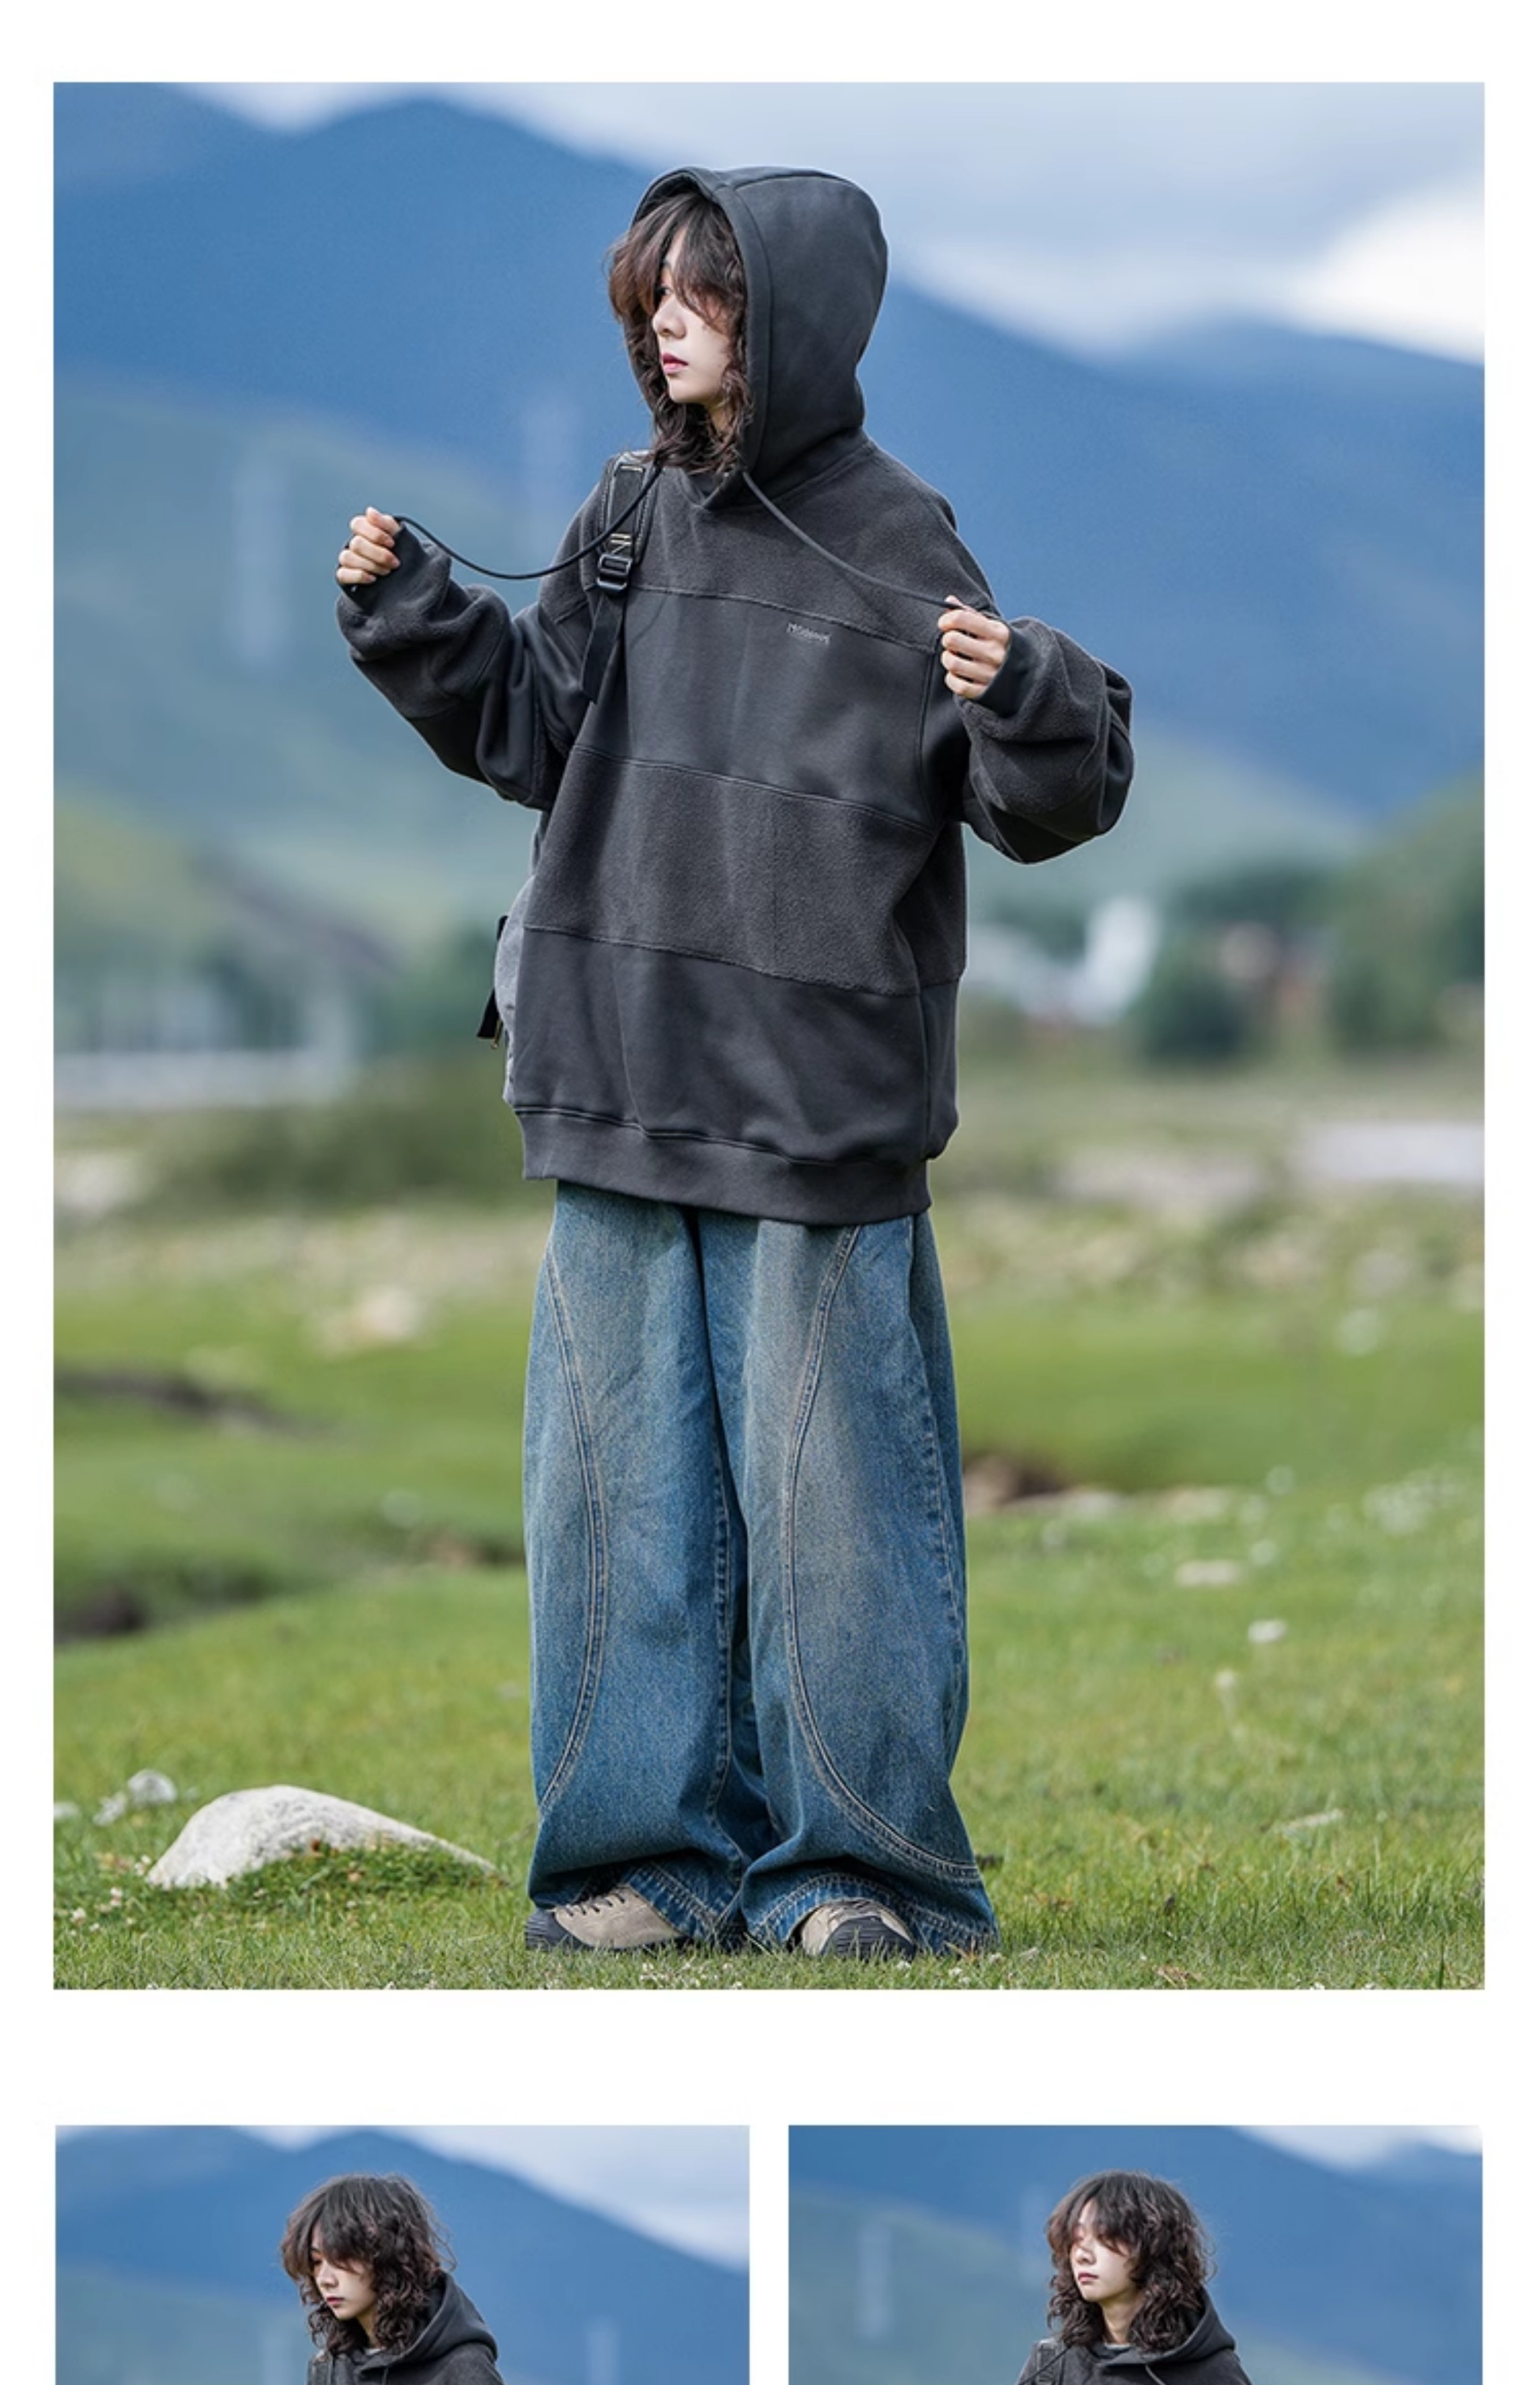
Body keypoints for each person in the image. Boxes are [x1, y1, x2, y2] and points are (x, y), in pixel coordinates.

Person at [335, 164, 1133, 1963]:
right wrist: (419, 612)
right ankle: (649, 1868)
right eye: (653, 301)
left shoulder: (904, 538)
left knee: (835, 1512)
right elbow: (534, 726)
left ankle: (866, 1878)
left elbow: (1038, 804)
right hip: (617, 1067)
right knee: (616, 1507)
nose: (667, 327)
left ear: (798, 321)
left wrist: (1026, 690)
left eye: (704, 298)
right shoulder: (624, 514)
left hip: (815, 1100)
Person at [1016, 2171, 1252, 2385]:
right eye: (1076, 2238)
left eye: (1104, 2236)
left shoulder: (1213, 2374)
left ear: (1153, 2247)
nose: (1082, 2255)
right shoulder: (1050, 2368)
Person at [279, 2171, 504, 2385]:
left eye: (343, 2258)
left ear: (388, 2255)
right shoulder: (329, 2367)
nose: (325, 2279)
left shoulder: (462, 2366)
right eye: (317, 2261)